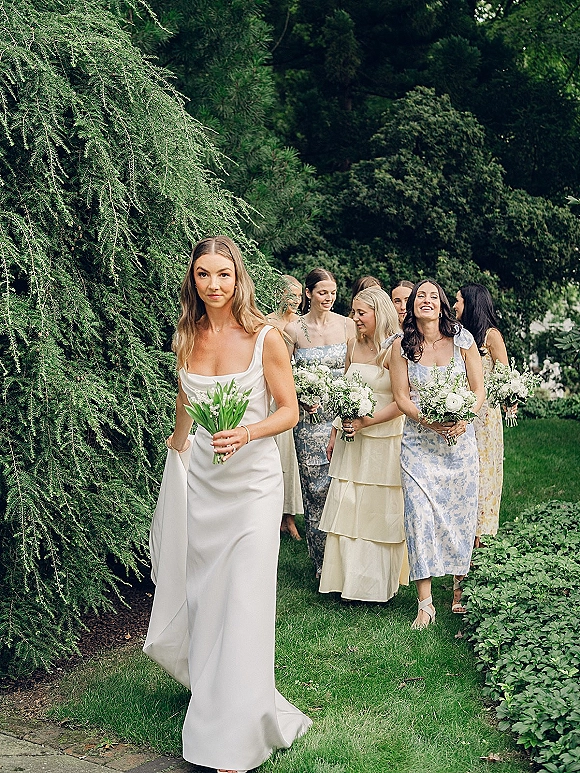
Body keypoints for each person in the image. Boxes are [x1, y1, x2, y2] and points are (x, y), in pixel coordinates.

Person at [144, 237, 311, 773]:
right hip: (204, 484)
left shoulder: (267, 338)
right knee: (207, 596)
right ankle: (216, 689)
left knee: (244, 597)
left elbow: (290, 411)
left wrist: (247, 432)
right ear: (192, 280)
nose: (213, 285)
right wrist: (176, 458)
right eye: (202, 275)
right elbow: (185, 405)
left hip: (254, 487)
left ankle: (236, 735)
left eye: (223, 275)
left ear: (239, 279)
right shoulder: (187, 336)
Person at [390, 280, 485, 627]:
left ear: (442, 304)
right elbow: (401, 397)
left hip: (459, 445)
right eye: (420, 297)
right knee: (418, 517)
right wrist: (428, 422)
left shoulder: (463, 340)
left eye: (433, 296)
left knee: (461, 517)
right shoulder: (402, 346)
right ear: (412, 306)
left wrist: (465, 418)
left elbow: (477, 389)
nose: (426, 300)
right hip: (418, 445)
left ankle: (460, 588)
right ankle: (425, 603)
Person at [318, 287, 409, 602]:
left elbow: (402, 402)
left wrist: (367, 422)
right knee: (350, 505)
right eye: (353, 312)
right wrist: (335, 431)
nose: (355, 319)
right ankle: (345, 582)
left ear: (378, 313)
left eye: (361, 313)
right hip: (350, 439)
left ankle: (375, 585)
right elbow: (344, 392)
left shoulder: (394, 349)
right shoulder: (352, 346)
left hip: (382, 440)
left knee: (376, 510)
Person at [285, 268, 356, 578]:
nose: (328, 298)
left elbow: (356, 371)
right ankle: (322, 563)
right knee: (317, 489)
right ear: (309, 294)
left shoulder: (347, 325)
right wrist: (299, 397)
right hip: (309, 419)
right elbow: (282, 374)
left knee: (345, 486)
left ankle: (347, 560)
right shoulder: (293, 330)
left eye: (333, 292)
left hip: (341, 417)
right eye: (322, 292)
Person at [454, 284, 508, 546]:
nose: (454, 306)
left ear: (471, 304)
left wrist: (510, 399)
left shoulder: (491, 336)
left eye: (458, 301)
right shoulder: (459, 336)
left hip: (485, 418)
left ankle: (482, 539)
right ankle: (464, 535)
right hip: (459, 410)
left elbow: (504, 377)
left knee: (484, 475)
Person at [266, 276, 304, 540]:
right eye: (291, 295)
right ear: (279, 295)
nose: (296, 300)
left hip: (303, 396)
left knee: (292, 460)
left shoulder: (303, 325)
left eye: (299, 296)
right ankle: (272, 515)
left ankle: (290, 518)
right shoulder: (268, 324)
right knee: (277, 455)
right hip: (275, 397)